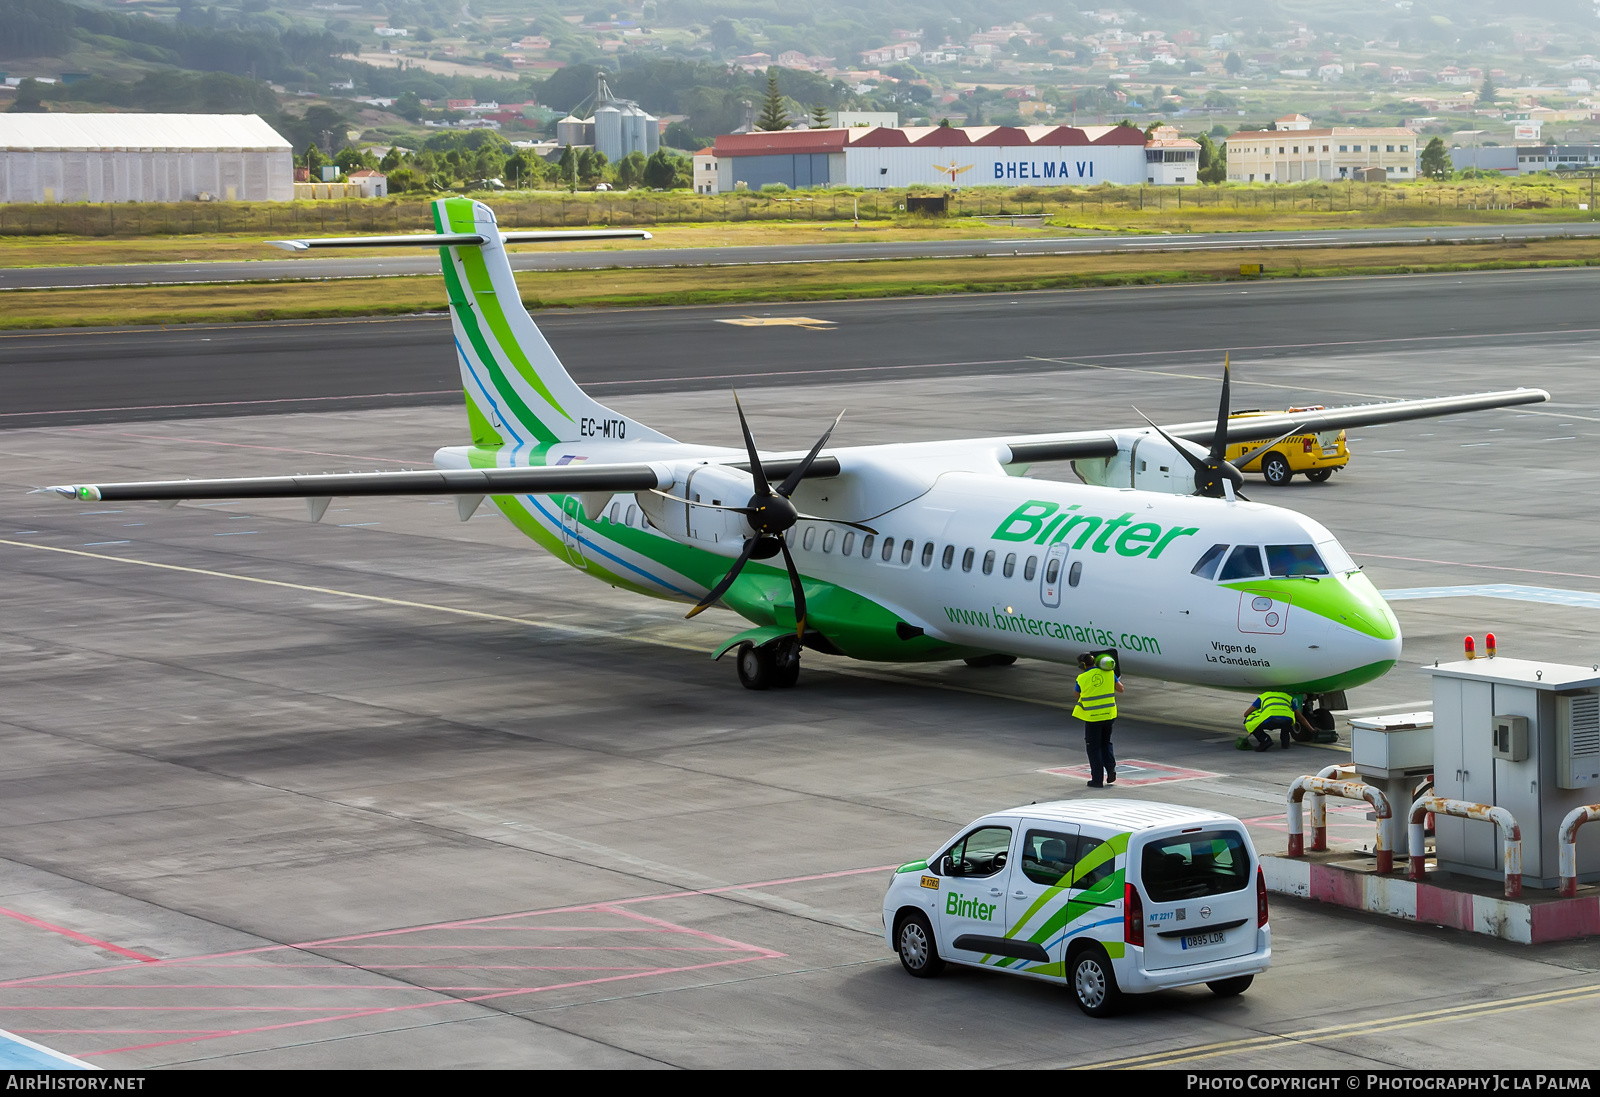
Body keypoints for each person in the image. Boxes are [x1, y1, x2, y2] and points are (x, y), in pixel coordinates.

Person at [1073, 653, 1124, 788]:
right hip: (1109, 715)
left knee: (1094, 748)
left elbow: (1076, 695)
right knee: (1106, 743)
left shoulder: (1082, 678)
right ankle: (1111, 769)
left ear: (1082, 665)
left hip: (1093, 718)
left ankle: (1097, 780)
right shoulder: (1108, 673)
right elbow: (1121, 689)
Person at [1240, 690, 1316, 751]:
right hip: (1287, 720)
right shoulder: (1287, 697)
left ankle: (1265, 740)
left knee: (1249, 720)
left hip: (1271, 719)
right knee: (1286, 720)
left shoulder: (1264, 696)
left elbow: (1246, 714)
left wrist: (1258, 712)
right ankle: (1285, 743)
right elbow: (1301, 718)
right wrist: (1312, 730)